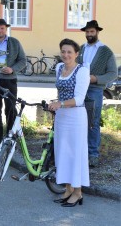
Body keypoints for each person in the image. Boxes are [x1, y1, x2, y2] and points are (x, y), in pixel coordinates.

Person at [48, 38, 90, 207]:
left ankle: (78, 192)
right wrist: (55, 104)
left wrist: (61, 103)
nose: (66, 55)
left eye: (69, 52)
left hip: (76, 117)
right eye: (63, 51)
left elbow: (79, 99)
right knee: (62, 153)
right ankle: (67, 189)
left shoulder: (82, 71)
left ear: (76, 54)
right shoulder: (59, 68)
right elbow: (60, 92)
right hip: (61, 117)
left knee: (75, 154)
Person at [76, 20, 117, 167]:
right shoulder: (80, 49)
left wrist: (96, 79)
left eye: (92, 32)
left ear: (97, 32)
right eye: (87, 32)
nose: (89, 34)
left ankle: (93, 153)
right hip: (79, 89)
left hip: (95, 89)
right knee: (79, 121)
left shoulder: (105, 51)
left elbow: (113, 73)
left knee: (92, 122)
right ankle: (80, 152)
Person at [0, 19, 27, 149]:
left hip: (10, 80)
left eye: (2, 28)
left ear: (6, 29)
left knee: (11, 109)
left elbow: (23, 60)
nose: (0, 31)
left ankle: (10, 137)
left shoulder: (14, 42)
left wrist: (12, 69)